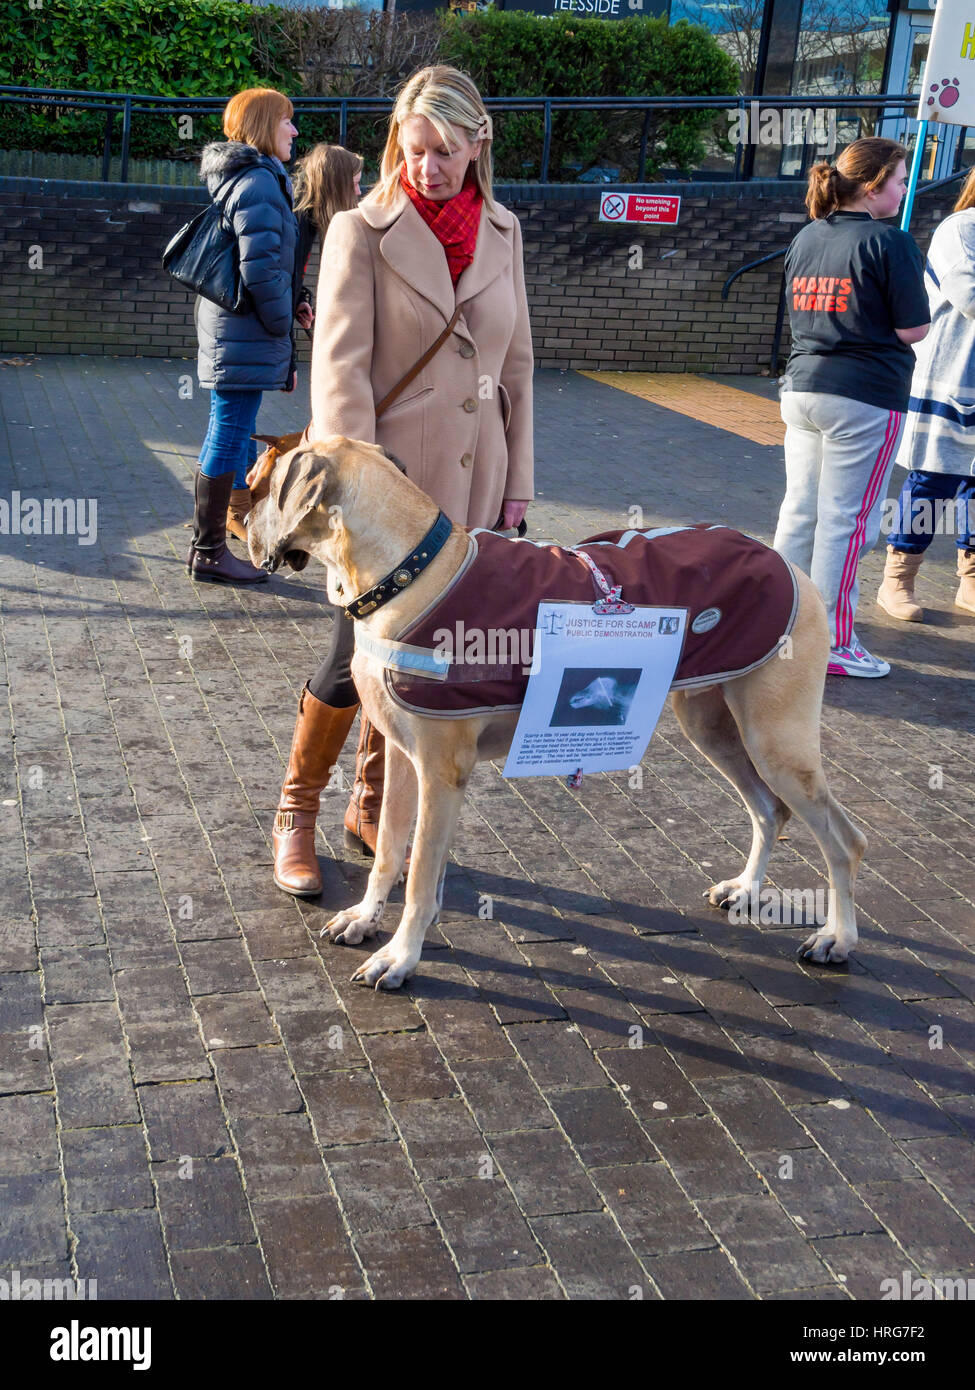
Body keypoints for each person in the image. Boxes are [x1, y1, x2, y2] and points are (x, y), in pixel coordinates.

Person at [270, 63, 534, 898]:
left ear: (477, 144)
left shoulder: (505, 230)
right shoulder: (360, 229)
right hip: (386, 495)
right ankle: (295, 812)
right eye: (416, 150)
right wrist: (355, 492)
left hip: (474, 488)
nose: (429, 168)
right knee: (356, 651)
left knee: (430, 657)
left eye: (447, 152)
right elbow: (339, 373)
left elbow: (519, 367)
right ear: (397, 143)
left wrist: (518, 481)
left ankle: (376, 804)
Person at [772, 137, 930, 677]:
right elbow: (914, 329)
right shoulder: (893, 244)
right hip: (865, 396)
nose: (905, 188)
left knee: (800, 512)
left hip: (803, 387)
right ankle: (834, 644)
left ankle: (779, 629)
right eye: (901, 179)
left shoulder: (807, 237)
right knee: (847, 522)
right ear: (873, 185)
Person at [189, 87, 309, 584]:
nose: (295, 131)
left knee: (229, 428)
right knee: (229, 430)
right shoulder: (258, 181)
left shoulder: (248, 178)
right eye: (287, 120)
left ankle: (213, 541)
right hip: (246, 330)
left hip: (235, 328)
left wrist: (293, 302)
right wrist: (283, 320)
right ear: (265, 124)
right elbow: (259, 270)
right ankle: (210, 552)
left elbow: (266, 264)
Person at [876, 168, 975, 622]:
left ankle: (970, 580)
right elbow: (970, 294)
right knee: (933, 480)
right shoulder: (960, 229)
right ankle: (897, 580)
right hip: (952, 376)